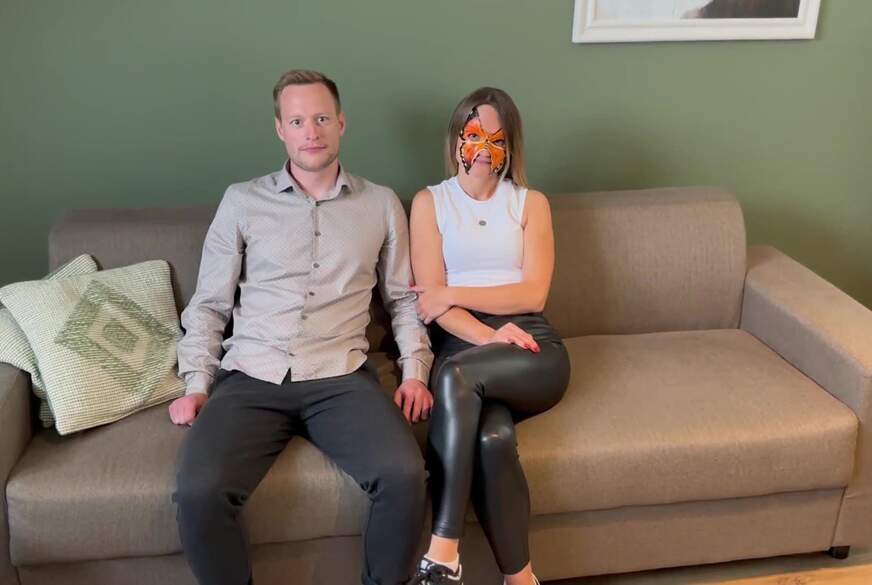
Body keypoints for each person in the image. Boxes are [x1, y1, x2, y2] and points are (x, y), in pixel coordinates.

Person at [168, 69, 434, 585]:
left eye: (321, 119)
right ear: (280, 130)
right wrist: (196, 384)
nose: (310, 131)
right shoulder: (242, 201)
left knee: (405, 476)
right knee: (199, 491)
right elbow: (209, 305)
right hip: (251, 374)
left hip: (341, 375)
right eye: (297, 121)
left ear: (341, 123)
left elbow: (403, 301)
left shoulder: (380, 204)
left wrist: (415, 373)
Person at [408, 87, 571, 585]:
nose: (483, 149)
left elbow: (533, 295)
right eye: (474, 135)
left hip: (531, 347)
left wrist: (452, 292)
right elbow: (431, 308)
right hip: (465, 346)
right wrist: (485, 335)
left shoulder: (529, 203)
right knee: (493, 438)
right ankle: (521, 579)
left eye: (496, 140)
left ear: (510, 146)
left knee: (457, 377)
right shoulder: (430, 203)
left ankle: (443, 552)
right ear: (456, 138)